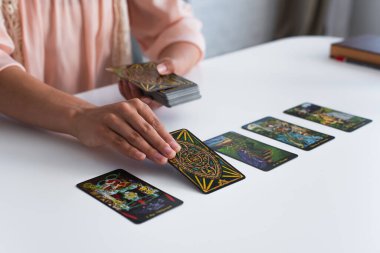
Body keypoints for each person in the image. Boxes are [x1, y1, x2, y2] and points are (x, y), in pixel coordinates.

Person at [0, 0, 205, 164]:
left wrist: (168, 70)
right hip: (19, 141)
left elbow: (176, 25)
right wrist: (79, 115)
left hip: (101, 140)